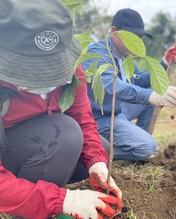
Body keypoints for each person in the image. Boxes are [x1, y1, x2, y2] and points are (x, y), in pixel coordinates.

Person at [0, 0, 123, 218]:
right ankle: (28, 209)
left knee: (98, 146)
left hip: (35, 142)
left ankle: (38, 194)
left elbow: (84, 119)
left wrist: (97, 164)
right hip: (9, 151)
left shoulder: (72, 70)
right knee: (65, 136)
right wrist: (63, 200)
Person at [82, 8, 176, 161]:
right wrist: (153, 96)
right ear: (114, 31)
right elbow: (115, 86)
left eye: (139, 37)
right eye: (131, 36)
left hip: (119, 111)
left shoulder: (124, 56)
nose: (136, 41)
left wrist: (165, 62)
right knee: (147, 146)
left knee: (151, 91)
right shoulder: (97, 53)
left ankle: (136, 143)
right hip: (100, 118)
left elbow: (139, 80)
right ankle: (90, 152)